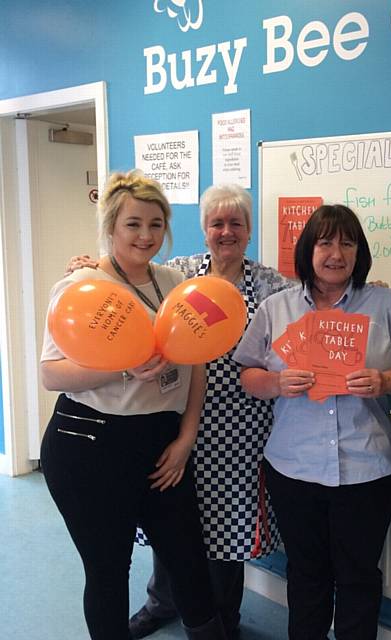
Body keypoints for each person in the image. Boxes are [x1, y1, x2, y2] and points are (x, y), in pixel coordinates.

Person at [68, 183, 292, 640]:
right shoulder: (181, 273)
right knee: (169, 527)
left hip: (240, 428)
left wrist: (368, 285)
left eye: (236, 223)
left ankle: (223, 616)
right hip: (172, 422)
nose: (226, 232)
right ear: (204, 230)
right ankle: (162, 602)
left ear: (249, 231)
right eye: (217, 223)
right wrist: (89, 266)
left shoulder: (271, 285)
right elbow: (126, 281)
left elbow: (314, 298)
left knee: (228, 526)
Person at [40, 171, 226, 639]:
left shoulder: (176, 280)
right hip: (88, 443)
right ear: (110, 227)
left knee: (187, 558)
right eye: (133, 224)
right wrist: (125, 369)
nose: (146, 236)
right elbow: (50, 374)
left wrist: (186, 438)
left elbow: (196, 362)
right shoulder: (81, 286)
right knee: (108, 569)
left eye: (156, 224)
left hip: (161, 442)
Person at [233, 204, 391, 640]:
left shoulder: (385, 304)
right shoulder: (276, 307)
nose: (336, 253)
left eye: (347, 242)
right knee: (306, 574)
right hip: (293, 469)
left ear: (360, 251)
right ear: (308, 249)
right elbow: (248, 375)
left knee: (359, 577)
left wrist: (384, 380)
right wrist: (278, 381)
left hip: (366, 468)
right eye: (325, 242)